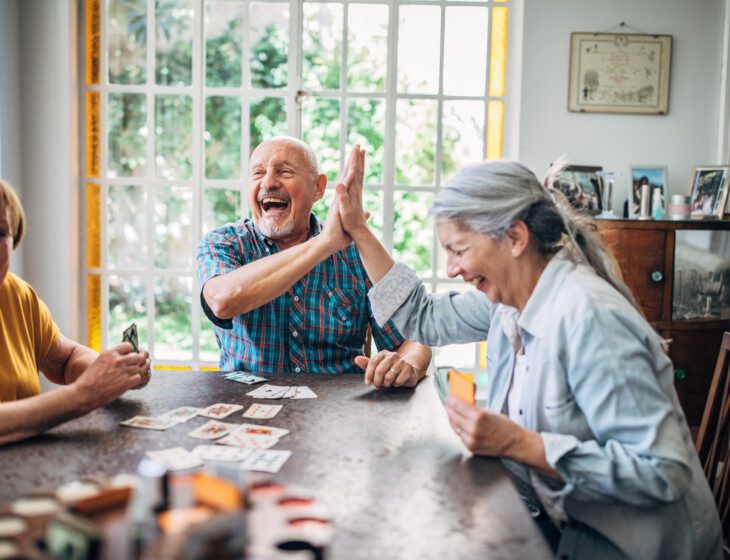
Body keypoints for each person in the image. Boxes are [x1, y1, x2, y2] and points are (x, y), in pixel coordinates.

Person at [332, 150, 722, 559]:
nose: (451, 269)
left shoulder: (590, 318)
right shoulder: (510, 301)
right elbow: (422, 316)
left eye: (459, 250)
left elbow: (663, 471)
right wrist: (358, 229)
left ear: (516, 238)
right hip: (559, 521)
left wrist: (519, 443)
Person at [196, 136, 431, 386]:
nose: (268, 181)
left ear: (318, 188)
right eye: (258, 173)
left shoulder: (357, 253)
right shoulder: (224, 242)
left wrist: (409, 364)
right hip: (245, 409)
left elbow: (413, 337)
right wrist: (324, 244)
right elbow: (222, 301)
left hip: (337, 412)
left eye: (284, 171)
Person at [0, 179, 151, 445]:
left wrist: (112, 373)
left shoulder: (16, 293)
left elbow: (66, 360)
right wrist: (84, 394)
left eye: (0, 233)